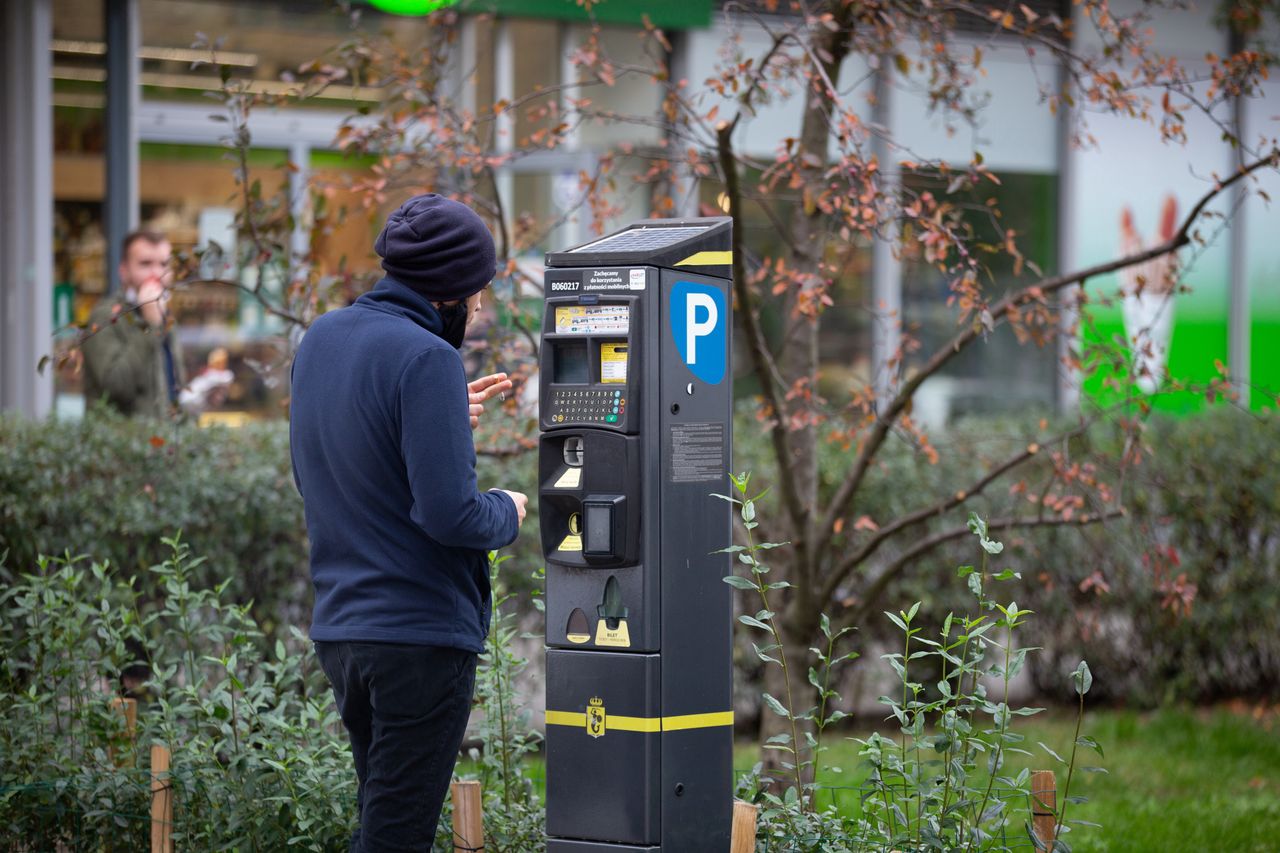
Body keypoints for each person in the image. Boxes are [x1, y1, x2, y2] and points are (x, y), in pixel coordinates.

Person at [289, 193, 528, 851]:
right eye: (477, 297)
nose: (479, 313)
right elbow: (451, 513)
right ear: (450, 295)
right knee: (396, 837)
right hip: (419, 640)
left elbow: (326, 469)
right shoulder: (429, 358)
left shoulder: (322, 339)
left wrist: (444, 423)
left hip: (344, 633)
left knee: (382, 822)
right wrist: (508, 508)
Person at [81, 230, 183, 417]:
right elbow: (115, 387)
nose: (157, 273)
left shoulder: (165, 315)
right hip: (125, 442)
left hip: (163, 441)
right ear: (124, 271)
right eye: (145, 264)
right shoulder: (105, 316)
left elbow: (171, 387)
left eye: (164, 264)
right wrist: (150, 324)